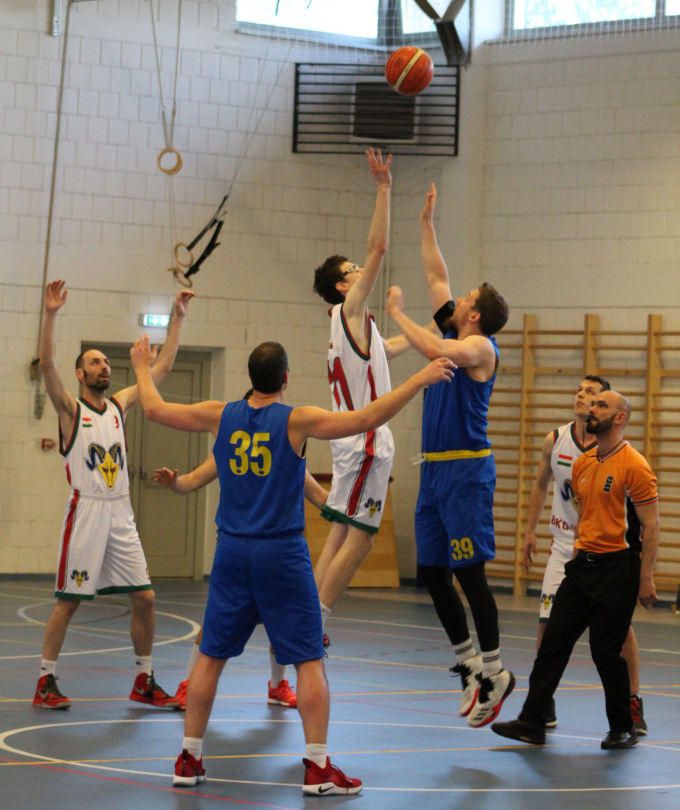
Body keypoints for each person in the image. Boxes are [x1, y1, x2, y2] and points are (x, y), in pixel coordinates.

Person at [130, 336, 454, 793]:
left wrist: (142, 368)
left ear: (250, 377)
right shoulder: (296, 420)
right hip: (280, 553)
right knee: (308, 659)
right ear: (285, 378)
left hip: (232, 552)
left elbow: (154, 409)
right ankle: (318, 767)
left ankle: (189, 758)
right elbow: (367, 418)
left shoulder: (221, 415)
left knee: (210, 657)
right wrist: (419, 378)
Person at [385, 182, 512, 728]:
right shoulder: (454, 325)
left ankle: (496, 671)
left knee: (470, 573)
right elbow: (437, 275)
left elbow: (437, 348)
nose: (456, 298)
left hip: (466, 470)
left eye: (466, 299)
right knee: (432, 573)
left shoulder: (479, 347)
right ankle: (468, 664)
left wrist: (397, 315)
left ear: (475, 315)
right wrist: (426, 223)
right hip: (434, 471)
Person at [34, 279, 194, 710]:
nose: (104, 366)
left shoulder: (120, 405)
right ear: (80, 374)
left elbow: (162, 368)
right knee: (69, 602)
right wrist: (50, 314)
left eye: (106, 361)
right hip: (86, 511)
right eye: (95, 362)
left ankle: (144, 679)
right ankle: (45, 680)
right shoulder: (71, 410)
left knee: (145, 597)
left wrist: (178, 319)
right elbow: (46, 362)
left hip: (120, 512)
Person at [492, 390, 659, 750]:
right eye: (592, 404)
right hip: (582, 566)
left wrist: (645, 577)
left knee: (605, 650)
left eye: (601, 405)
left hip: (618, 569)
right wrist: (577, 554)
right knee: (553, 642)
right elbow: (585, 516)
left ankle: (622, 727)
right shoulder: (583, 464)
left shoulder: (635, 465)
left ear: (620, 418)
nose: (591, 409)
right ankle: (532, 722)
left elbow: (651, 525)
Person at [312, 148, 423, 645]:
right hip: (366, 439)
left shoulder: (351, 326)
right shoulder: (350, 310)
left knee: (340, 531)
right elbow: (378, 248)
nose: (363, 269)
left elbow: (390, 348)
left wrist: (430, 332)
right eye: (353, 268)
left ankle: (307, 617)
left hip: (351, 441)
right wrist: (384, 188)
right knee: (361, 540)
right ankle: (315, 623)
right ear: (343, 285)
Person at [153, 451, 329, 711]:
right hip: (238, 552)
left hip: (278, 553)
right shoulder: (232, 443)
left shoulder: (287, 449)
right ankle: (189, 686)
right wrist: (175, 483)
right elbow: (191, 480)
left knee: (281, 621)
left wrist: (354, 508)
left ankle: (278, 686)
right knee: (215, 623)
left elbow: (321, 498)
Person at [522, 375, 647, 733]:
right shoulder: (557, 440)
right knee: (549, 627)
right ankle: (540, 705)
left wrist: (644, 572)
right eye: (580, 391)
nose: (583, 398)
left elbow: (646, 520)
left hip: (608, 554)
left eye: (592, 394)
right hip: (566, 545)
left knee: (615, 635)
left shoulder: (618, 453)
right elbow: (541, 484)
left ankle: (632, 703)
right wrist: (530, 531)